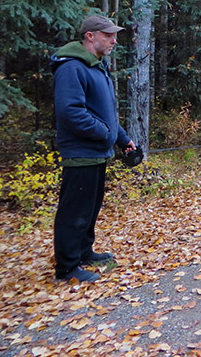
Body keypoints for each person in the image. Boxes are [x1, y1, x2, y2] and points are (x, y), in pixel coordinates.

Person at [51, 15, 136, 283]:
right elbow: (71, 112)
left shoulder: (98, 67)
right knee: (74, 211)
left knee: (89, 208)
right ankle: (67, 268)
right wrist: (106, 134)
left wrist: (122, 139)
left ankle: (84, 252)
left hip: (97, 152)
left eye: (114, 35)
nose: (114, 40)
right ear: (90, 36)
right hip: (80, 153)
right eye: (108, 35)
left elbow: (106, 113)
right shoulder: (71, 68)